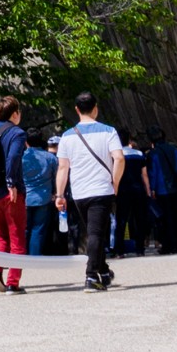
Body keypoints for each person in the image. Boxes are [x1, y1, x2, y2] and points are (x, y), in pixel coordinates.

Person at [54, 93, 125, 291]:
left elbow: (62, 168)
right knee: (96, 234)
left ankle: (103, 270)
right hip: (101, 189)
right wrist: (115, 182)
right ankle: (91, 276)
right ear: (96, 108)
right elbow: (119, 158)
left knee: (95, 232)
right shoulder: (108, 131)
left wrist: (59, 195)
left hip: (79, 193)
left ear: (76, 109)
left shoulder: (67, 136)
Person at [0, 97, 29, 293]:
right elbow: (14, 157)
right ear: (15, 114)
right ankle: (13, 282)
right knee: (17, 236)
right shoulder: (17, 133)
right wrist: (11, 183)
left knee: (1, 235)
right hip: (11, 193)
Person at [147, 128, 177, 254]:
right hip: (175, 187)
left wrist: (152, 188)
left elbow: (153, 173)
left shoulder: (153, 153)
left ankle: (168, 245)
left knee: (165, 219)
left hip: (161, 189)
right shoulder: (173, 149)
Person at [114, 133, 152, 256]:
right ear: (129, 141)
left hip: (122, 190)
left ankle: (119, 250)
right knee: (139, 219)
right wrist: (148, 190)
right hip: (138, 189)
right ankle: (140, 249)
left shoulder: (116, 156)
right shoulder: (139, 154)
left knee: (121, 219)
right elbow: (144, 174)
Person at [21, 129, 55, 258]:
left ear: (26, 141)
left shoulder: (21, 157)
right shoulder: (50, 157)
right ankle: (35, 257)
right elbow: (56, 176)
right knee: (38, 229)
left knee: (24, 229)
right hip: (44, 197)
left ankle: (21, 256)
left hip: (24, 197)